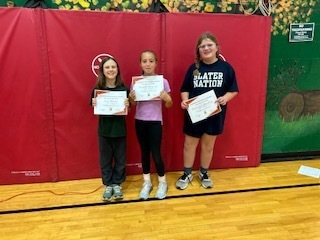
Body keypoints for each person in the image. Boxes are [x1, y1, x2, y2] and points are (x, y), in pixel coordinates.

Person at [176, 32, 239, 190]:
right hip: (194, 114)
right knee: (189, 144)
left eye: (209, 45)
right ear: (198, 50)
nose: (206, 48)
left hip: (214, 115)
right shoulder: (193, 68)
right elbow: (185, 88)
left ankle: (203, 172)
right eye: (202, 46)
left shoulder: (226, 68)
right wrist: (184, 100)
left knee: (208, 146)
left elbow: (233, 90)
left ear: (217, 47)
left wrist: (225, 98)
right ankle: (187, 173)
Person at [129, 50, 173, 200]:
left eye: (151, 61)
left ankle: (162, 182)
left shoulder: (162, 82)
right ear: (140, 63)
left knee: (156, 152)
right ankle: (147, 182)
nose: (148, 64)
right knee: (144, 152)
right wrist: (131, 98)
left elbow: (169, 104)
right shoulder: (136, 82)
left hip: (155, 122)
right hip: (140, 121)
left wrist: (167, 99)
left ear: (155, 63)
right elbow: (133, 104)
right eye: (144, 61)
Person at [91, 56, 130, 201]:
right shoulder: (97, 90)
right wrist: (95, 102)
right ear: (102, 70)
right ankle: (108, 184)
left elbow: (129, 110)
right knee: (105, 159)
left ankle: (117, 184)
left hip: (120, 131)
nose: (111, 70)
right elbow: (94, 107)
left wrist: (128, 104)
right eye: (107, 67)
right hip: (104, 131)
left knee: (120, 159)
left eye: (113, 67)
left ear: (117, 70)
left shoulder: (124, 90)